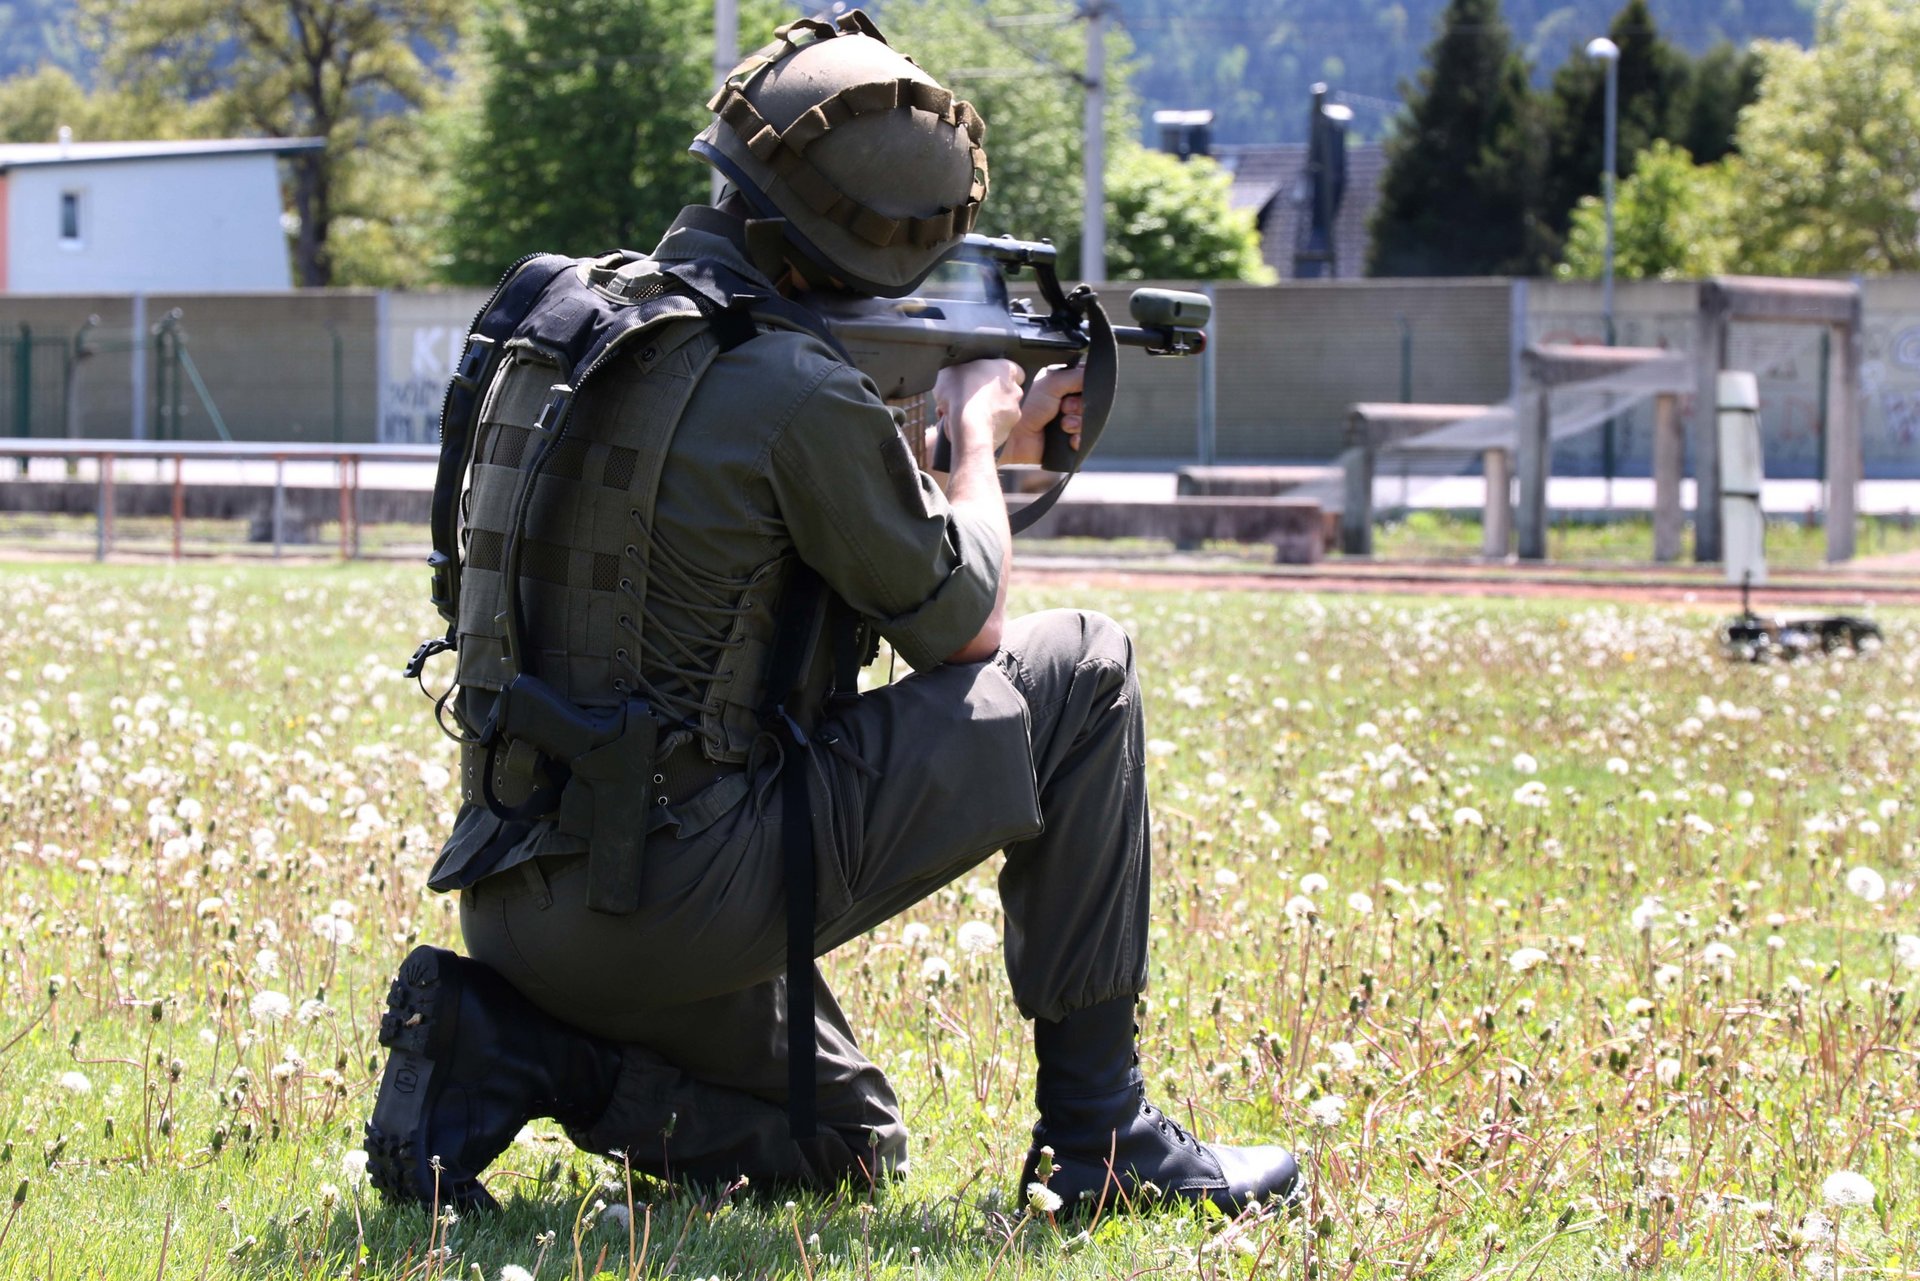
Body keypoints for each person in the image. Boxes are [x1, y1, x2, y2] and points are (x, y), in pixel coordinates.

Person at [364, 10, 1298, 1217]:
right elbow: (964, 624)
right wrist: (974, 436)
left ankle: (516, 1057)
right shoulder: (794, 386)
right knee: (1089, 670)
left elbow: (721, 532)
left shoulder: (569, 326)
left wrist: (926, 447)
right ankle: (1103, 1140)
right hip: (679, 898)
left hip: (517, 893)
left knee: (848, 1150)